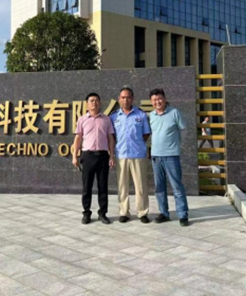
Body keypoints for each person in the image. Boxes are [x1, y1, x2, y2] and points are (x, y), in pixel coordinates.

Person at [148, 88, 190, 227]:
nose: (157, 102)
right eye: (154, 100)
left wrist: (177, 144)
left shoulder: (174, 112)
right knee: (159, 187)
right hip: (156, 157)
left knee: (177, 186)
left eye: (159, 99)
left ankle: (182, 214)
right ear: (151, 102)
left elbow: (183, 130)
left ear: (165, 99)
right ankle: (164, 213)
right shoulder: (151, 115)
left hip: (171, 155)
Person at [72, 93, 115, 225]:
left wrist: (111, 156)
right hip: (88, 156)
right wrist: (74, 156)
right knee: (87, 187)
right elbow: (78, 138)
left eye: (96, 100)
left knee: (103, 186)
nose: (94, 103)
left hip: (103, 156)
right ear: (87, 104)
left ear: (100, 103)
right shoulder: (82, 120)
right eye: (91, 100)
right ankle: (86, 213)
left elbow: (110, 138)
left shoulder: (106, 119)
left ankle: (103, 213)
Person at [110, 87, 151, 224]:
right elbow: (112, 136)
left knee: (141, 186)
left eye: (128, 97)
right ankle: (124, 212)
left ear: (132, 98)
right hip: (121, 154)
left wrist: (137, 144)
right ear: (119, 99)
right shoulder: (114, 116)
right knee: (122, 186)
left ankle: (142, 212)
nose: (125, 100)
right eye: (123, 97)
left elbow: (146, 133)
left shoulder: (141, 115)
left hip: (138, 154)